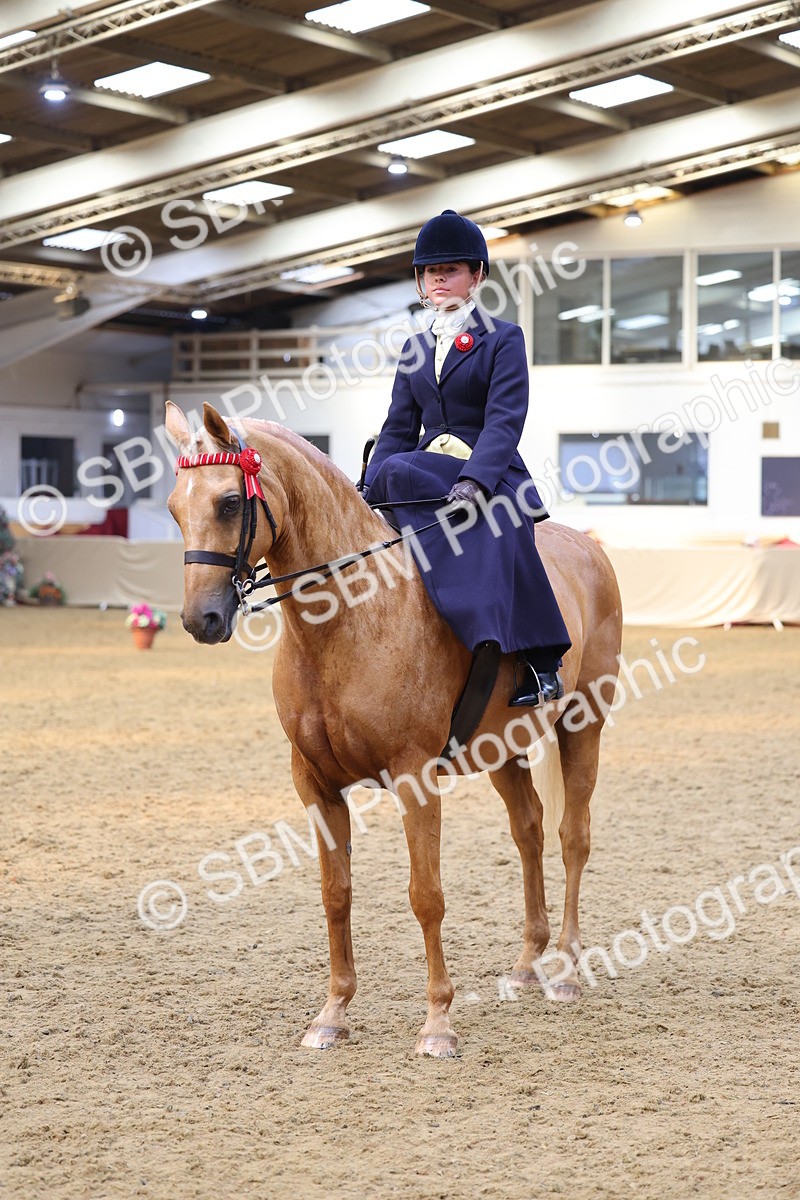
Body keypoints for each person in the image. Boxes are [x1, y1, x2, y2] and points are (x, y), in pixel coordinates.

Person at [363, 209, 570, 707]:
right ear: (419, 280)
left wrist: (476, 481)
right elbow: (396, 427)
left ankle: (542, 662)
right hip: (422, 470)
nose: (439, 277)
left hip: (484, 471)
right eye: (431, 270)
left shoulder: (503, 339)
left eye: (451, 269)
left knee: (505, 532)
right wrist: (366, 491)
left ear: (476, 276)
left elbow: (504, 420)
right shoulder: (414, 347)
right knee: (389, 473)